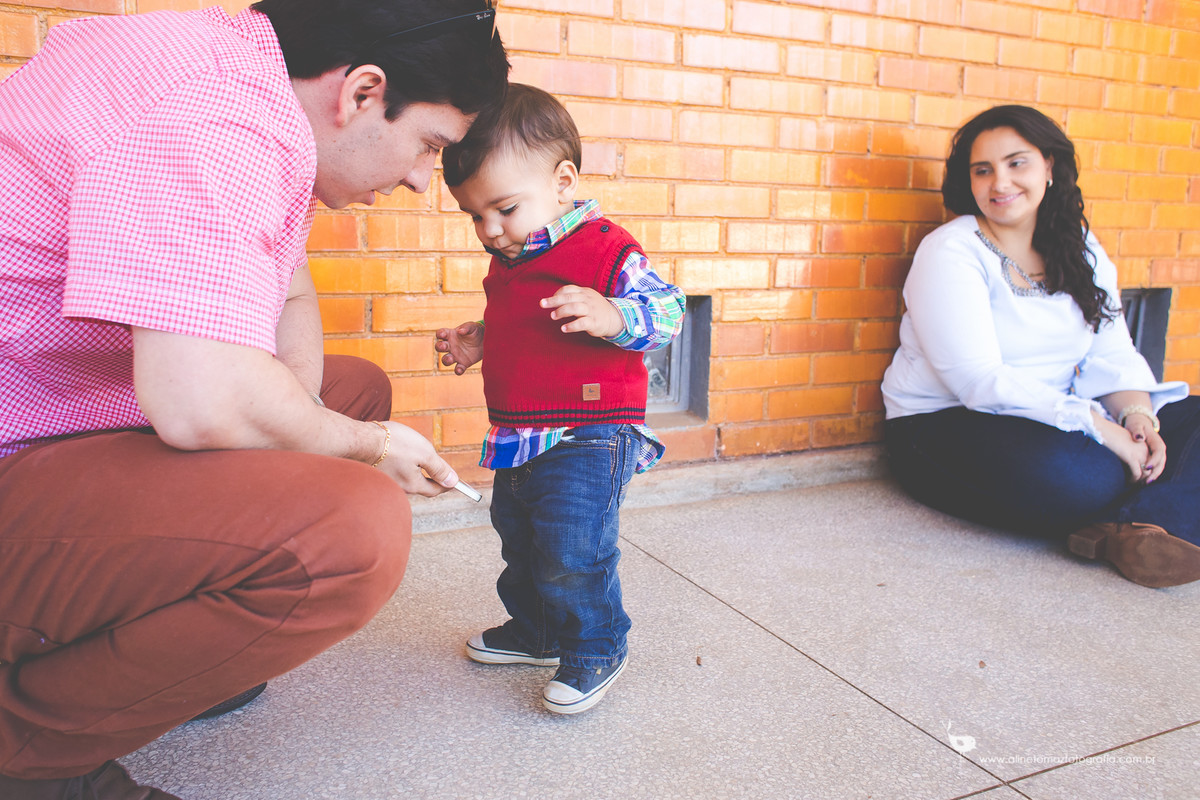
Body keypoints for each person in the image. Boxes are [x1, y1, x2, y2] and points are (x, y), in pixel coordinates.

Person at [0, 1, 508, 797]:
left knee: (349, 396)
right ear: (363, 93)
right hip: (18, 437)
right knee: (348, 527)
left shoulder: (251, 88)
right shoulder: (211, 114)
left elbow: (285, 304)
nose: (419, 180)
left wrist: (321, 432)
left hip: (44, 400)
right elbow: (203, 400)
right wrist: (364, 448)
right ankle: (27, 755)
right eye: (429, 145)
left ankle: (172, 627)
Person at [435, 84, 686, 714]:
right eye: (474, 216)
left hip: (589, 432)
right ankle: (538, 631)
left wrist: (612, 312)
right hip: (521, 432)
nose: (490, 231)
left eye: (504, 209)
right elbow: (531, 324)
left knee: (573, 547)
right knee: (520, 539)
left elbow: (669, 310)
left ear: (563, 180)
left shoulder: (604, 248)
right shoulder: (511, 260)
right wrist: (481, 340)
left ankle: (598, 643)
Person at [881, 104, 1200, 589]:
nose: (1000, 183)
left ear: (1049, 167)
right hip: (947, 424)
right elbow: (977, 382)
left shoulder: (1080, 247)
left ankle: (1140, 524)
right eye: (982, 170)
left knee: (1186, 422)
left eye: (1016, 163)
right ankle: (1149, 517)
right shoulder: (952, 250)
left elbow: (1110, 351)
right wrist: (1098, 427)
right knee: (1086, 474)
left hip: (1059, 414)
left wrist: (1136, 417)